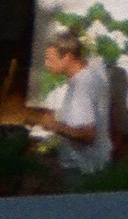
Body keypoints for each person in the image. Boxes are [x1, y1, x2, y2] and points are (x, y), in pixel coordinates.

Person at [38, 23, 115, 175]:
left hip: (84, 168)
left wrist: (54, 126)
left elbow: (87, 135)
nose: (46, 65)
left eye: (50, 59)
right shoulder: (94, 68)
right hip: (99, 160)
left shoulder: (82, 87)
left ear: (67, 57)